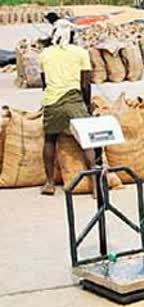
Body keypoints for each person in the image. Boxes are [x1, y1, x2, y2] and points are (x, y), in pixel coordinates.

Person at [38, 19, 96, 196]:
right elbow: (85, 84)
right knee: (86, 141)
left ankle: (49, 183)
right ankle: (94, 185)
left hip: (52, 101)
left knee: (50, 139)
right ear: (72, 35)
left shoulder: (44, 54)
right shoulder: (80, 53)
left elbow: (44, 84)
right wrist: (86, 105)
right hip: (73, 99)